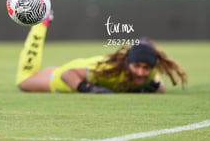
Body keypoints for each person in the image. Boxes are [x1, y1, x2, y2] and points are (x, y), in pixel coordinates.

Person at [15, 13, 187, 94]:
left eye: (146, 68)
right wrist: (89, 89)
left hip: (81, 67)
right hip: (67, 74)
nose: (141, 72)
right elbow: (68, 75)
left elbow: (160, 88)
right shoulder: (109, 69)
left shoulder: (150, 74)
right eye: (137, 66)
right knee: (24, 82)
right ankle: (41, 23)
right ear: (128, 63)